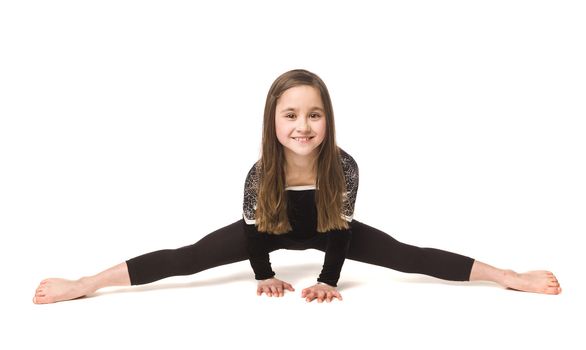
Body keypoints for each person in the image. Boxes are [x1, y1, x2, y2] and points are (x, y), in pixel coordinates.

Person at [32, 69, 562, 305]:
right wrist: (263, 274)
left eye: (314, 115)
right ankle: (85, 283)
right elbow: (253, 234)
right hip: (268, 231)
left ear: (328, 120)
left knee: (407, 254)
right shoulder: (262, 173)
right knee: (186, 257)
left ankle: (506, 275)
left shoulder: (344, 166)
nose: (303, 126)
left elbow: (340, 231)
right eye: (291, 115)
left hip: (330, 229)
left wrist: (330, 280)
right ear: (274, 121)